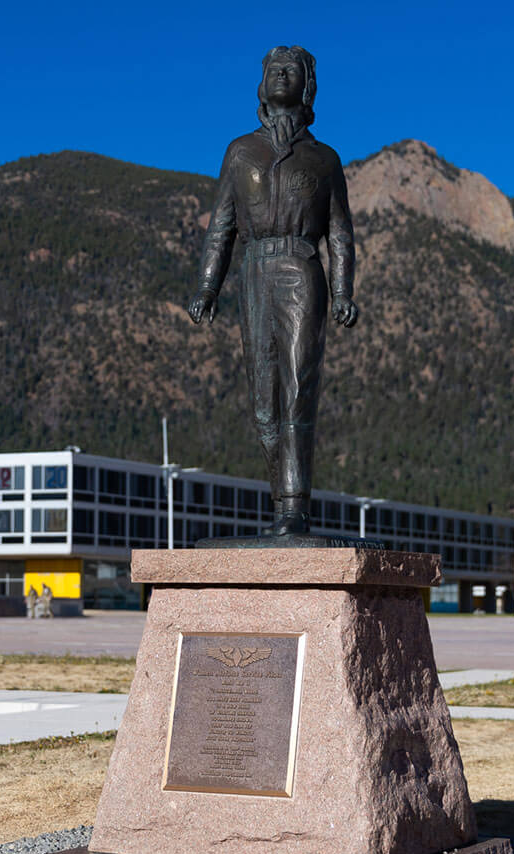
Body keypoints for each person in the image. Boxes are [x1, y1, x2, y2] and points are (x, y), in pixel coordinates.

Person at [187, 45, 359, 536]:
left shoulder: (325, 160)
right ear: (262, 84)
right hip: (255, 271)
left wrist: (344, 292)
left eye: (293, 70)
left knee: (299, 389)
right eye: (274, 69)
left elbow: (340, 232)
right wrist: (207, 285)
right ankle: (281, 503)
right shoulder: (241, 152)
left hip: (302, 267)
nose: (282, 75)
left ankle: (293, 509)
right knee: (264, 404)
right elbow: (220, 225)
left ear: (307, 86)